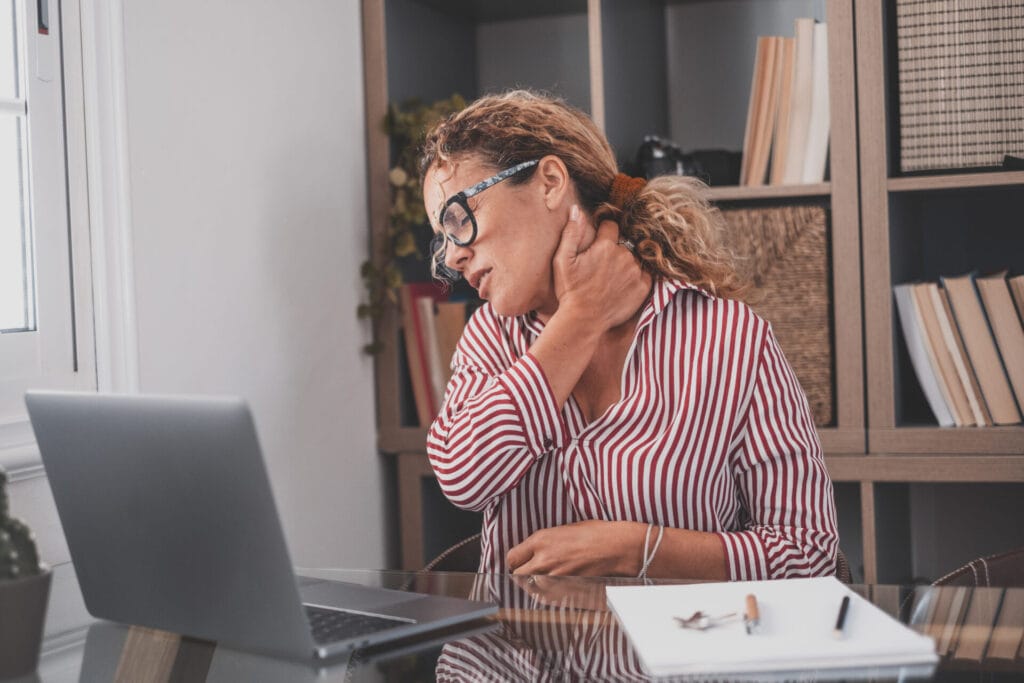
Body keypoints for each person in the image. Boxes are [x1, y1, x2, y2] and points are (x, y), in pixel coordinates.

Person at [420, 90, 838, 581]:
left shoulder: (731, 339)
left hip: (684, 655)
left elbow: (809, 554)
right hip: (518, 657)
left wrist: (640, 548)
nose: (451, 257)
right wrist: (582, 316)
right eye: (441, 238)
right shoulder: (492, 335)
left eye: (457, 220)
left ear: (550, 183)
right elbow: (463, 478)